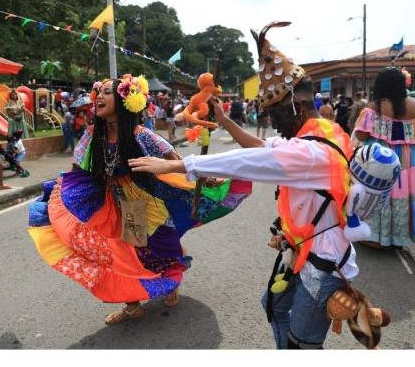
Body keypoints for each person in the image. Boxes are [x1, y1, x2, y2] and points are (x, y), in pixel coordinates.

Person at [129, 22, 358, 349]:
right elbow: (262, 149)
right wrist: (223, 121)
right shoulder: (321, 132)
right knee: (273, 307)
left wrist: (177, 164)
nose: (271, 121)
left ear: (295, 105)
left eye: (274, 113)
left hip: (322, 262)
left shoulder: (310, 151)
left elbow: (246, 162)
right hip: (299, 250)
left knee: (302, 344)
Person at [27, 74, 251, 325]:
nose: (98, 96)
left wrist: (200, 178)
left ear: (125, 101)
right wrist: (65, 191)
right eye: (98, 92)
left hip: (146, 200)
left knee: (156, 250)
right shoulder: (92, 135)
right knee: (118, 255)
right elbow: (78, 166)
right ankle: (132, 305)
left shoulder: (142, 135)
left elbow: (174, 159)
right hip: (110, 202)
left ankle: (168, 281)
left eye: (106, 92)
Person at [354, 67, 415, 248]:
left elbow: (362, 137)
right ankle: (398, 238)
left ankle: (376, 239)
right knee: (404, 194)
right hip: (409, 162)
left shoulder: (374, 108)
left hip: (381, 161)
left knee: (379, 194)